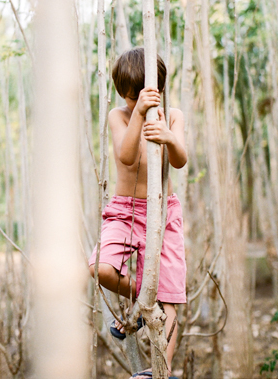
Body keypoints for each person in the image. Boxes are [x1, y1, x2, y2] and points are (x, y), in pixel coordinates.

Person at [88, 47, 187, 379]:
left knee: (170, 295)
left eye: (139, 96)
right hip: (125, 211)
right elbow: (126, 157)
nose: (132, 102)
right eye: (128, 98)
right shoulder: (120, 115)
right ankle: (146, 303)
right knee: (100, 267)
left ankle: (162, 368)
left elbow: (180, 160)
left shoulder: (173, 115)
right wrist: (139, 114)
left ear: (158, 89)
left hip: (163, 211)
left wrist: (169, 136)